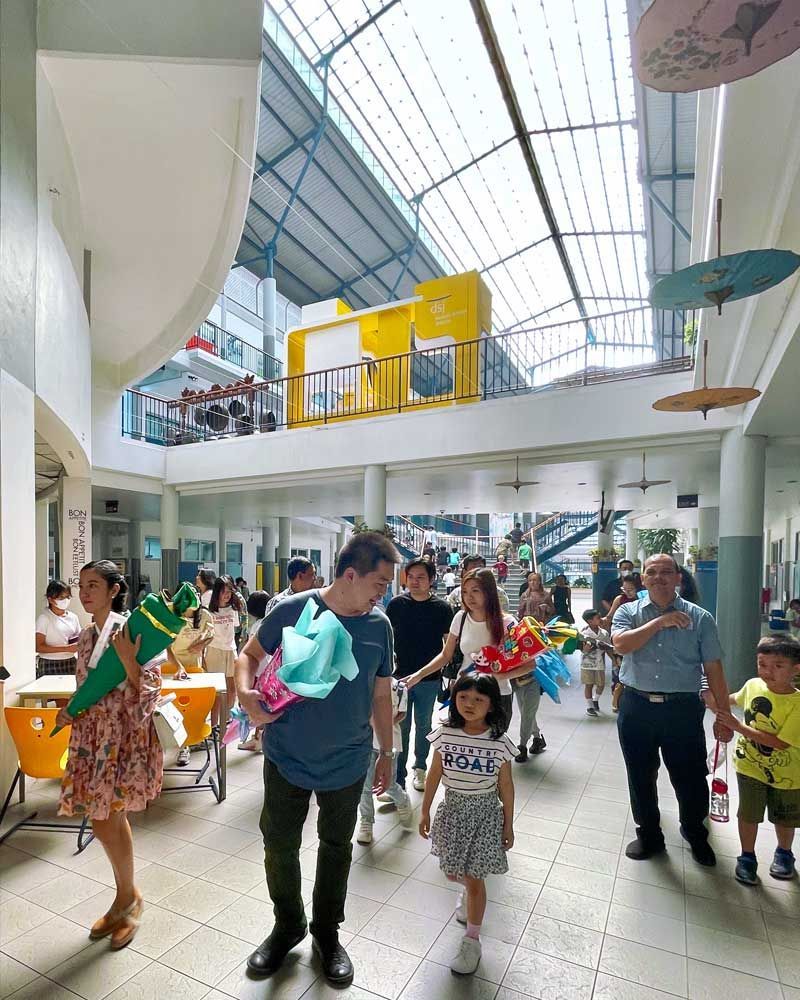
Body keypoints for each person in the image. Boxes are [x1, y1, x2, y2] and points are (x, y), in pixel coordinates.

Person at [234, 532, 399, 986]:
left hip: (348, 760)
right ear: (351, 574)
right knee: (279, 843)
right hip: (287, 754)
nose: (382, 593)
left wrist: (387, 752)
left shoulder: (378, 626)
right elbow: (248, 655)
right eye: (379, 583)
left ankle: (328, 934)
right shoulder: (292, 609)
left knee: (336, 847)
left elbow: (381, 694)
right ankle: (287, 925)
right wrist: (247, 696)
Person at [56, 560, 163, 950]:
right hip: (92, 737)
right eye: (82, 585)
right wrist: (71, 708)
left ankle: (128, 899)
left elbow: (151, 693)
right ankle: (126, 896)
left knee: (108, 816)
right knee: (101, 818)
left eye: (94, 585)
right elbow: (87, 688)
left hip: (124, 739)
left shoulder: (132, 630)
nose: (85, 593)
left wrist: (131, 663)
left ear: (114, 590)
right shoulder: (85, 637)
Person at [611, 554, 730, 866]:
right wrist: (660, 622)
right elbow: (621, 645)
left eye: (667, 572)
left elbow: (714, 667)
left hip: (682, 709)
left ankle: (694, 833)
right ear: (643, 579)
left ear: (679, 578)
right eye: (652, 572)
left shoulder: (701, 618)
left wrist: (724, 714)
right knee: (640, 775)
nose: (659, 577)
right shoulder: (627, 611)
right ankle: (649, 835)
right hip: (636, 706)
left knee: (689, 776)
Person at [419, 673, 516, 975]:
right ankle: (470, 892)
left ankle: (472, 940)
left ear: (491, 704)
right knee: (452, 872)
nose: (470, 704)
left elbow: (507, 785)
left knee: (475, 878)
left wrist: (508, 824)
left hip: (486, 814)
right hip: (453, 811)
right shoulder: (445, 734)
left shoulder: (499, 742)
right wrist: (424, 811)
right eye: (463, 697)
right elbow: (434, 773)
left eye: (478, 699)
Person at [714, 636, 800, 885]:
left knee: (784, 817)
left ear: (796, 669)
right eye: (762, 664)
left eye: (777, 665)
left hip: (788, 773)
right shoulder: (753, 685)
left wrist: (736, 725)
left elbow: (780, 742)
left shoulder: (797, 702)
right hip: (749, 765)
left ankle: (784, 853)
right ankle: (747, 857)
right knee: (748, 814)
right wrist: (711, 698)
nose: (767, 671)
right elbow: (732, 699)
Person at [408, 568, 526, 729]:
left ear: (489, 592)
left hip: (496, 695)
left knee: (492, 750)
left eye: (475, 591)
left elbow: (529, 664)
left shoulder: (507, 622)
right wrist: (419, 675)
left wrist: (499, 676)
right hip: (463, 694)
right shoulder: (460, 618)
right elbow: (445, 655)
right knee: (459, 746)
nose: (469, 597)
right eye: (465, 591)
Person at [386, 558, 453, 792]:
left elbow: (448, 647)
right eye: (411, 577)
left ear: (431, 580)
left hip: (429, 679)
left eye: (421, 577)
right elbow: (388, 640)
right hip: (399, 678)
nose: (414, 582)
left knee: (423, 724)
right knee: (400, 727)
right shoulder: (396, 604)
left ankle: (420, 768)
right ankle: (397, 778)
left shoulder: (443, 608)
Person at [357, 676, 413, 844]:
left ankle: (402, 800)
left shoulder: (400, 688)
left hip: (391, 742)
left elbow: (402, 714)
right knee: (366, 786)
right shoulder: (364, 685)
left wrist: (383, 723)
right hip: (366, 742)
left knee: (387, 783)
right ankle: (366, 821)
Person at [166, 588, 215, 765]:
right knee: (172, 707)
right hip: (171, 666)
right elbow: (166, 646)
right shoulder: (172, 615)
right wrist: (178, 667)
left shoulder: (205, 616)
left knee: (189, 706)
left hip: (194, 668)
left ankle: (185, 745)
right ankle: (174, 744)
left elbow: (211, 635)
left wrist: (201, 644)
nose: (189, 611)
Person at [206, 575, 245, 724]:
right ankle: (214, 724)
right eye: (223, 591)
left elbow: (235, 629)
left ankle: (226, 720)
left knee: (232, 689)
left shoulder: (233, 609)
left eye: (229, 591)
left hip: (231, 650)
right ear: (217, 592)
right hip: (214, 651)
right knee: (216, 691)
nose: (227, 595)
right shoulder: (210, 612)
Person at [238, 590, 270, 753]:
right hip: (268, 671)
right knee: (264, 704)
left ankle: (257, 739)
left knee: (257, 706)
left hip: (258, 671)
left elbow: (250, 652)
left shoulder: (257, 627)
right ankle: (258, 738)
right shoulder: (268, 623)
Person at [35, 580, 81, 678]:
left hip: (71, 661)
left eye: (68, 597)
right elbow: (38, 647)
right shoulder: (44, 618)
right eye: (61, 598)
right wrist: (66, 648)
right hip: (50, 663)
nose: (65, 600)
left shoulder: (73, 617)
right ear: (51, 599)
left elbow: (77, 638)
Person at [581, 609, 610, 716]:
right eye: (598, 618)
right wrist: (586, 649)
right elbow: (582, 649)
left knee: (601, 684)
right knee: (589, 684)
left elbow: (608, 648)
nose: (601, 619)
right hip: (587, 664)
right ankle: (590, 706)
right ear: (590, 621)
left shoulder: (604, 633)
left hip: (599, 663)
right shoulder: (584, 633)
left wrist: (615, 661)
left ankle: (595, 699)